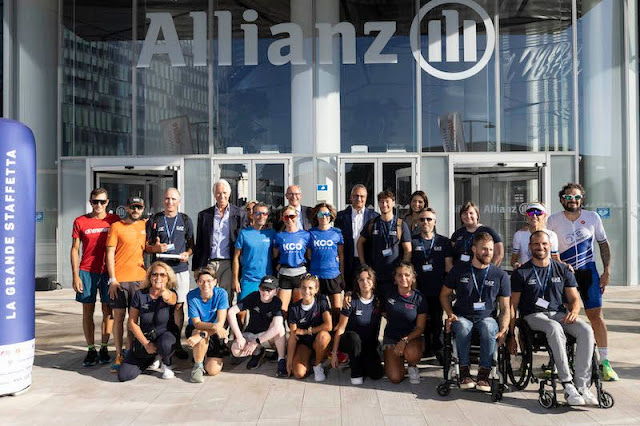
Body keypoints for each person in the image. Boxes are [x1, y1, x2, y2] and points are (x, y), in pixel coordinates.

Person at [510, 231, 599, 405]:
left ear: (550, 246)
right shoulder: (522, 272)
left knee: (586, 330)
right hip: (533, 316)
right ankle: (567, 384)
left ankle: (582, 385)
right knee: (553, 327)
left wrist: (574, 310)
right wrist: (511, 334)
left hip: (559, 314)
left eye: (544, 244)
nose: (540, 247)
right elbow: (513, 306)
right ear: (530, 247)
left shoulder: (563, 269)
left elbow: (574, 299)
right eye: (536, 244)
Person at [547, 182, 618, 381]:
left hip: (589, 273)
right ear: (562, 200)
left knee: (596, 315)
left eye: (576, 197)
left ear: (582, 199)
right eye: (568, 197)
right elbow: (548, 248)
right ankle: (558, 362)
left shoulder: (592, 217)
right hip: (564, 275)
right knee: (564, 318)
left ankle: (605, 362)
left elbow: (603, 244)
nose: (573, 200)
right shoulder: (553, 220)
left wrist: (607, 272)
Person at [440, 232, 510, 391]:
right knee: (463, 327)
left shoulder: (500, 275)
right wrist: (450, 314)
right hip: (463, 316)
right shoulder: (459, 270)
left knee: (487, 328)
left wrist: (504, 328)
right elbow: (444, 295)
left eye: (491, 250)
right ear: (474, 249)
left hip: (487, 317)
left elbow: (505, 307)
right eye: (484, 249)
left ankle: (483, 375)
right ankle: (464, 373)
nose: (488, 253)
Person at [70, 188, 120, 367]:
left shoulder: (114, 221)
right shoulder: (80, 221)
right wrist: (76, 275)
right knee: (88, 311)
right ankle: (91, 349)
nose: (98, 205)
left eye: (102, 202)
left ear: (107, 203)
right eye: (95, 201)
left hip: (108, 272)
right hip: (87, 271)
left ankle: (104, 347)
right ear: (90, 202)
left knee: (109, 311)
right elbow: (75, 249)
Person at [145, 187, 194, 359]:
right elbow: (146, 246)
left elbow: (191, 245)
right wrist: (156, 248)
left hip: (180, 270)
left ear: (179, 201)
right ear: (163, 201)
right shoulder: (155, 219)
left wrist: (187, 254)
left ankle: (176, 343)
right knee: (159, 305)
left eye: (173, 199)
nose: (170, 202)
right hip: (160, 270)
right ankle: (158, 342)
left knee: (179, 306)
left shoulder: (185, 220)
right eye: (167, 199)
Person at [106, 196, 148, 373]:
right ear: (126, 208)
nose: (136, 210)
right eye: (133, 207)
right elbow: (109, 253)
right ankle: (118, 354)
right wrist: (112, 279)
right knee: (118, 318)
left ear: (143, 208)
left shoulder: (144, 225)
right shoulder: (116, 227)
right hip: (120, 281)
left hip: (139, 279)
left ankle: (130, 351)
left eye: (139, 207)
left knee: (133, 319)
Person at [118, 261, 178, 382]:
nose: (158, 278)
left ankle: (166, 364)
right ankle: (152, 358)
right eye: (155, 274)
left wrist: (163, 293)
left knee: (165, 343)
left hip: (165, 336)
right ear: (150, 277)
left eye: (162, 275)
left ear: (168, 278)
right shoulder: (140, 294)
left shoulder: (171, 293)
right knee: (124, 376)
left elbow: (172, 300)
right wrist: (146, 344)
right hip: (146, 337)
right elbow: (132, 322)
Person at [193, 179, 246, 305]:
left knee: (225, 295)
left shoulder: (239, 214)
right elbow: (199, 242)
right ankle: (211, 323)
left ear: (229, 194)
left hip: (228, 262)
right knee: (208, 294)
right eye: (218, 193)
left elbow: (242, 242)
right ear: (214, 194)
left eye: (224, 193)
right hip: (209, 262)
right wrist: (196, 267)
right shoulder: (204, 215)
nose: (221, 196)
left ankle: (223, 324)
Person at [410, 207, 453, 359]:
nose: (425, 222)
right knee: (422, 320)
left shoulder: (444, 241)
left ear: (435, 222)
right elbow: (409, 266)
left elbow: (449, 267)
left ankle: (440, 349)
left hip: (439, 289)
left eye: (429, 219)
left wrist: (449, 289)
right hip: (419, 289)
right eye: (422, 219)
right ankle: (426, 348)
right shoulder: (413, 241)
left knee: (437, 320)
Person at [331, 265, 384, 385]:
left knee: (377, 374)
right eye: (361, 279)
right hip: (351, 341)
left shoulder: (379, 300)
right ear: (357, 283)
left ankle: (361, 361)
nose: (365, 282)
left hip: (368, 344)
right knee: (354, 338)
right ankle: (355, 370)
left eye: (368, 279)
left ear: (373, 282)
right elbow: (340, 328)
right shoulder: (351, 301)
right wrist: (334, 353)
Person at [228, 275, 287, 376]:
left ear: (276, 291)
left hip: (266, 337)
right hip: (252, 333)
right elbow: (231, 312)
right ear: (259, 288)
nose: (265, 292)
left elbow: (277, 327)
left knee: (280, 328)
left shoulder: (276, 302)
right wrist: (239, 337)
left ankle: (281, 360)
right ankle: (257, 353)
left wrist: (256, 342)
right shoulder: (253, 296)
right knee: (235, 350)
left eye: (269, 290)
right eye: (263, 288)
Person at [357, 190, 412, 296]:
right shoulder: (372, 223)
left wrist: (402, 271)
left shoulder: (400, 225)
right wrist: (363, 263)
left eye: (387, 201)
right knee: (377, 307)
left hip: (394, 277)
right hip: (375, 275)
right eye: (381, 202)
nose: (384, 204)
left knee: (392, 307)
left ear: (393, 203)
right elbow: (359, 243)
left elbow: (408, 250)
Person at [382, 262, 427, 384]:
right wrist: (349, 294)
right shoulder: (388, 293)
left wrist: (404, 341)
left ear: (412, 278)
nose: (403, 278)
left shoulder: (419, 298)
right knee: (395, 378)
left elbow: (420, 328)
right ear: (395, 278)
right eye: (399, 275)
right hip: (391, 338)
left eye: (407, 275)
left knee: (412, 353)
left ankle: (412, 366)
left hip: (411, 339)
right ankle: (399, 362)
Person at [233, 202, 276, 321]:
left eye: (264, 213)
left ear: (267, 216)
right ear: (252, 215)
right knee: (241, 314)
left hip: (266, 280)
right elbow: (236, 257)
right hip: (248, 279)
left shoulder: (272, 233)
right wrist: (235, 279)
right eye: (257, 213)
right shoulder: (244, 233)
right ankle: (240, 338)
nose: (261, 216)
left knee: (264, 315)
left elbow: (276, 254)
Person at [185, 267, 229, 383]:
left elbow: (221, 322)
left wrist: (204, 334)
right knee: (198, 333)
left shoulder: (221, 293)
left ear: (215, 282)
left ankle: (201, 354)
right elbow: (197, 323)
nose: (206, 284)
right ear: (197, 283)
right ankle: (197, 366)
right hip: (197, 329)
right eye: (202, 281)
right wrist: (207, 331)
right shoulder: (192, 296)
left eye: (209, 281)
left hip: (212, 332)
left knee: (213, 370)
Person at [287, 274, 332, 381]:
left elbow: (328, 325)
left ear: (316, 289)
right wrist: (288, 361)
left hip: (319, 340)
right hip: (305, 344)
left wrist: (305, 331)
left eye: (310, 288)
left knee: (324, 337)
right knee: (298, 373)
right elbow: (293, 336)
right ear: (299, 289)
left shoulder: (321, 300)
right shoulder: (294, 308)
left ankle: (317, 365)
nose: (306, 291)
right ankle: (309, 359)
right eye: (303, 287)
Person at [335, 184, 379, 292]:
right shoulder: (340, 217)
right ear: (350, 197)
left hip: (367, 260)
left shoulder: (374, 217)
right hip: (347, 261)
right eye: (356, 195)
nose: (359, 199)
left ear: (366, 197)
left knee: (367, 290)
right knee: (348, 292)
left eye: (362, 196)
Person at [308, 203, 345, 323]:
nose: (324, 217)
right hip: (316, 276)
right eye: (320, 214)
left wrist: (342, 273)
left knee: (336, 309)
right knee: (317, 309)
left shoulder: (337, 232)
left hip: (333, 275)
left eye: (326, 214)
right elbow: (308, 255)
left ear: (330, 216)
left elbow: (341, 255)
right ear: (316, 216)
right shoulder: (310, 233)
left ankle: (336, 338)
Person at [273, 205, 311, 318]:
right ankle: (283, 333)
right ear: (282, 218)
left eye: (292, 216)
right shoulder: (279, 236)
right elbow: (275, 255)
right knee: (282, 309)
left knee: (298, 308)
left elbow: (309, 255)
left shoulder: (305, 235)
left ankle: (296, 334)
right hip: (285, 274)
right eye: (286, 217)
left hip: (300, 273)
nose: (289, 219)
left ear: (297, 216)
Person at [451, 202, 504, 266]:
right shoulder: (457, 234)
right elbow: (451, 256)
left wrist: (489, 271)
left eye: (471, 213)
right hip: (461, 272)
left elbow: (499, 254)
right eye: (465, 213)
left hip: (481, 272)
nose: (468, 216)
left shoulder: (488, 231)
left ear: (477, 215)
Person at [511, 202, 560, 269]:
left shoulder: (551, 235)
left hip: (546, 273)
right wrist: (516, 265)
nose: (534, 216)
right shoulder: (519, 235)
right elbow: (513, 259)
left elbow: (556, 259)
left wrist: (565, 267)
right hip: (526, 273)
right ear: (526, 216)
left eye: (538, 213)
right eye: (530, 213)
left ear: (544, 215)